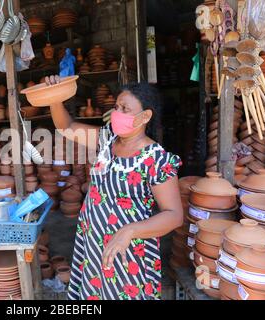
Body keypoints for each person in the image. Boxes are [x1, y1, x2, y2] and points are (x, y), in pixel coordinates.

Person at [45, 75, 184, 300]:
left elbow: (174, 215)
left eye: (125, 109)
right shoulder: (107, 139)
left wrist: (129, 232)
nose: (117, 113)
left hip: (130, 251)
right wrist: (54, 97)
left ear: (145, 116)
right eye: (116, 107)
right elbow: (66, 126)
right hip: (94, 243)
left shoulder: (157, 159)